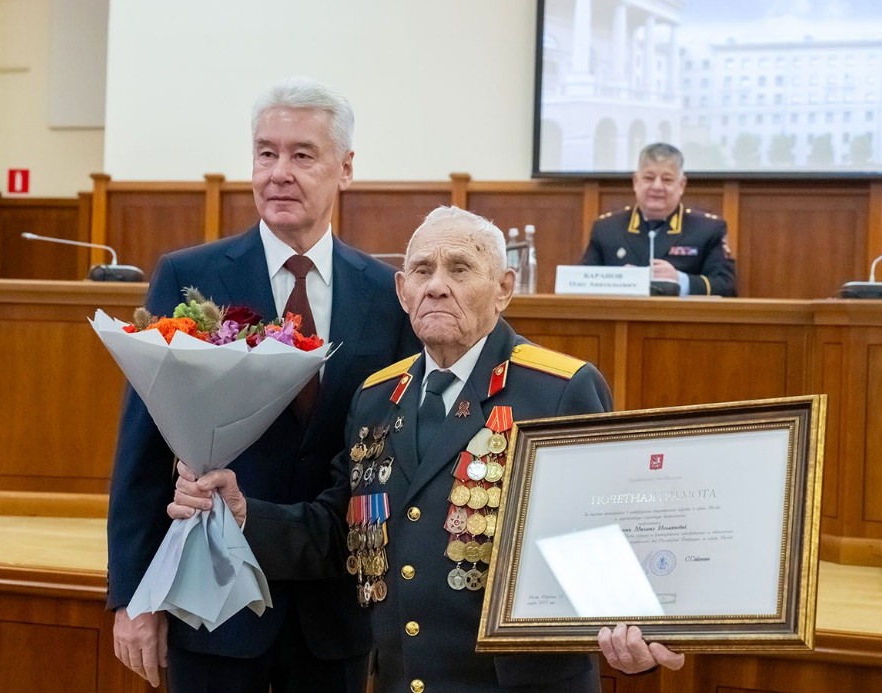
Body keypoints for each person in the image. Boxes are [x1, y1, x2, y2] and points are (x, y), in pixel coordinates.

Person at [169, 206, 685, 691]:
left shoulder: (558, 389)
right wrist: (241, 514)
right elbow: (338, 533)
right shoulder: (376, 398)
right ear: (401, 290)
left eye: (460, 269)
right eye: (421, 270)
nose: (436, 286)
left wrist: (638, 627)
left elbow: (610, 533)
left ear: (504, 288)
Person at [107, 77, 418, 692]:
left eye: (302, 155)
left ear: (345, 168)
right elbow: (141, 453)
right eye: (265, 152)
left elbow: (393, 459)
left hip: (334, 616)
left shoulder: (389, 296)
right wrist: (134, 595)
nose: (279, 172)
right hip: (211, 608)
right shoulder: (190, 277)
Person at [582, 142, 737, 297]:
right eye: (649, 178)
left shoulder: (708, 229)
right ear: (636, 182)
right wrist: (619, 281)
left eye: (667, 180)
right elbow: (582, 285)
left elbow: (727, 287)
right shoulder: (606, 229)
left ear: (681, 185)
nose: (657, 186)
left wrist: (680, 281)